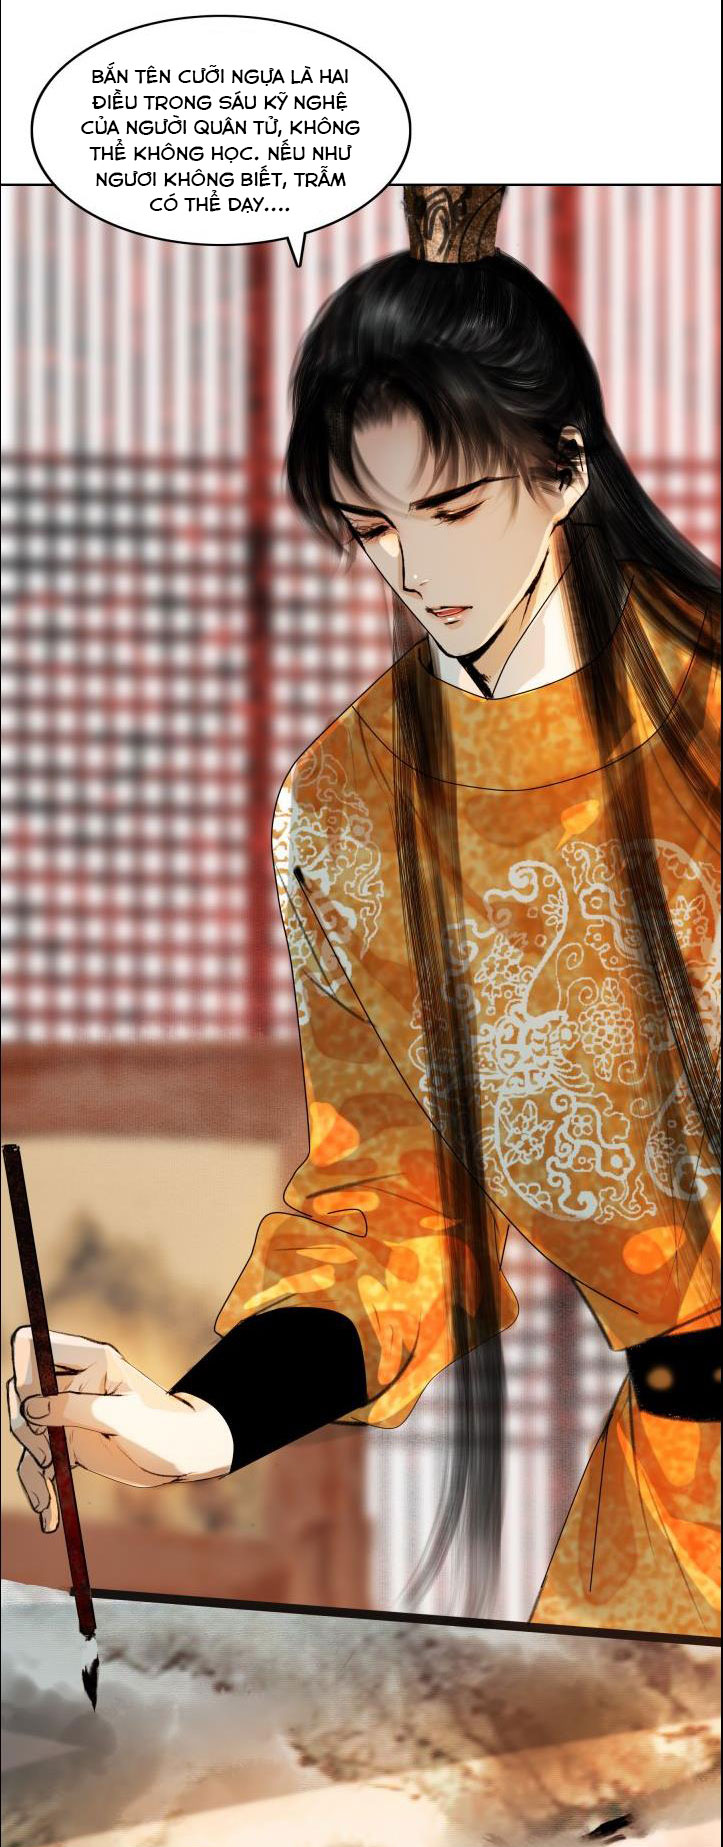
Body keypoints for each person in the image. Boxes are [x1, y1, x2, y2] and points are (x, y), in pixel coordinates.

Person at [8, 185, 721, 1637]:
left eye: (453, 509)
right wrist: (204, 1423)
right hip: (685, 1500)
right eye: (371, 525)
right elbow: (396, 1199)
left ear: (565, 466)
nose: (419, 568)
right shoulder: (348, 810)